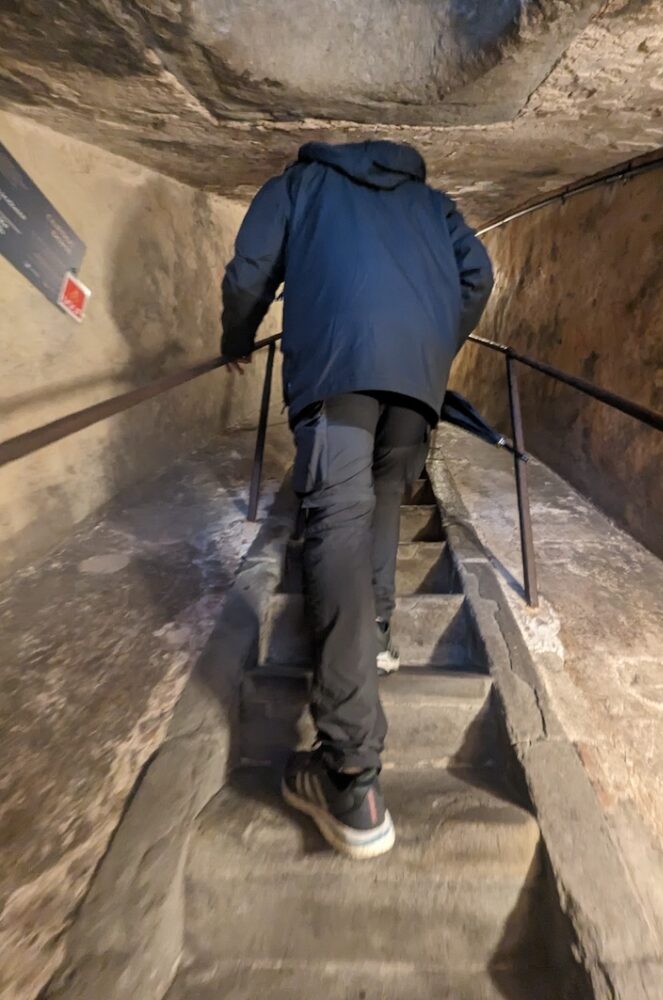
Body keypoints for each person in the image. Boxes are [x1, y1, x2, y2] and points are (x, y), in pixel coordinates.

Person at [222, 140, 492, 859]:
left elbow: (251, 266)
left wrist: (235, 337)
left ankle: (349, 771)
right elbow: (478, 273)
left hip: (337, 372)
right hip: (412, 385)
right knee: (377, 503)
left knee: (336, 524)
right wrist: (430, 347)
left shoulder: (302, 183)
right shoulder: (433, 206)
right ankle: (371, 635)